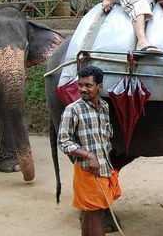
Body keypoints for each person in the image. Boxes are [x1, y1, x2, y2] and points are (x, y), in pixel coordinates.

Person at [57, 65, 121, 236]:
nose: (83, 89)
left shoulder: (105, 107)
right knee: (96, 213)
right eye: (80, 85)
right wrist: (88, 155)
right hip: (87, 170)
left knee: (90, 212)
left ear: (99, 87)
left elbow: (107, 136)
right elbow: (63, 141)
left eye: (88, 85)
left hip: (103, 168)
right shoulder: (73, 109)